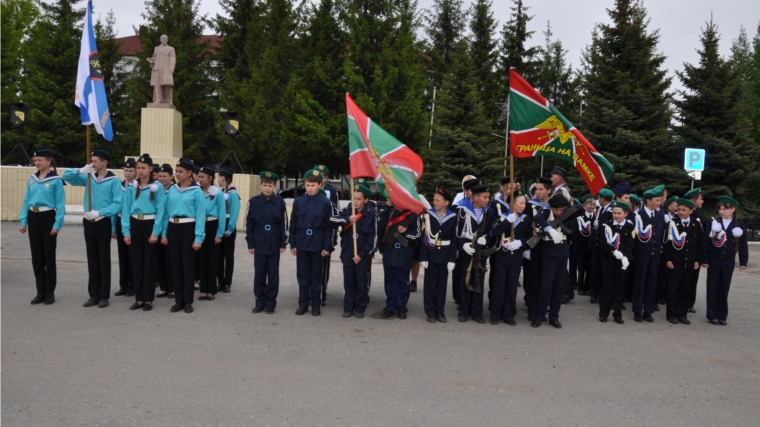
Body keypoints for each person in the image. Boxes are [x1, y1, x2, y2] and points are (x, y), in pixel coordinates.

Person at [63, 148, 123, 308]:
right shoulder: (89, 177)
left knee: (103, 258)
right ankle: (93, 294)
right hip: (88, 220)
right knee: (92, 258)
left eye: (95, 161)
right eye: (92, 160)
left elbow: (118, 203)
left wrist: (100, 212)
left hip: (102, 220)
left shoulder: (114, 181)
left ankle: (104, 295)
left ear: (105, 162)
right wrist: (80, 170)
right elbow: (67, 177)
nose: (92, 163)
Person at [19, 147, 65, 305]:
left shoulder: (56, 180)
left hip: (48, 217)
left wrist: (57, 224)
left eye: (39, 160)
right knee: (37, 257)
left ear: (49, 161)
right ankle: (40, 291)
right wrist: (23, 221)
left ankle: (50, 291)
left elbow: (60, 204)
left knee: (48, 256)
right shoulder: (32, 178)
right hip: (33, 216)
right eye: (35, 160)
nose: (36, 163)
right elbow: (26, 200)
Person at [160, 158, 206, 313]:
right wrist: (164, 233)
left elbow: (200, 215)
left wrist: (198, 237)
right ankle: (178, 300)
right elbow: (166, 212)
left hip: (189, 227)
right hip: (173, 227)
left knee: (187, 266)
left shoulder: (197, 191)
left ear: (189, 173)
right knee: (175, 266)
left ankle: (188, 301)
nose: (177, 174)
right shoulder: (172, 189)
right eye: (176, 171)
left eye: (180, 171)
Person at [121, 154, 165, 312]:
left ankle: (148, 299)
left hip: (149, 223)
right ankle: (139, 298)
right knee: (137, 264)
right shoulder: (132, 186)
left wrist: (155, 232)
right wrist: (126, 231)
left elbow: (161, 210)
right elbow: (125, 209)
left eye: (143, 168)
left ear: (150, 169)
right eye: (138, 168)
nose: (140, 171)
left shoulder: (157, 187)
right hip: (135, 223)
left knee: (148, 264)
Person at [329, 183, 377, 318]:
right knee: (348, 281)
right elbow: (332, 220)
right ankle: (348, 307)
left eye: (359, 199)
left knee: (361, 282)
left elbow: (373, 238)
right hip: (348, 252)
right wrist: (346, 219)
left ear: (366, 200)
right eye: (354, 198)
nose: (355, 201)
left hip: (362, 255)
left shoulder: (371, 214)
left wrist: (361, 255)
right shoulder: (347, 211)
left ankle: (360, 307)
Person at [290, 170, 333, 316]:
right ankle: (303, 304)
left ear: (320, 184)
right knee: (302, 275)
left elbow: (329, 227)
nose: (310, 188)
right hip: (302, 243)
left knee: (316, 276)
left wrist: (327, 246)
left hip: (318, 244)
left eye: (313, 185)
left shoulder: (326, 203)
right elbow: (293, 224)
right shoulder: (299, 201)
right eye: (307, 185)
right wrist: (293, 243)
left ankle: (316, 305)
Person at [246, 171, 288, 314]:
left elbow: (284, 224)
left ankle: (270, 303)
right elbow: (248, 225)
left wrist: (283, 243)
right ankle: (260, 302)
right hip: (259, 244)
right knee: (259, 274)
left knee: (273, 275)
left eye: (270, 185)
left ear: (275, 186)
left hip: (274, 244)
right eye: (264, 185)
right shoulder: (253, 202)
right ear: (260, 185)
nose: (267, 188)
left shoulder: (280, 202)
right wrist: (250, 244)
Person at [705, 196, 749, 325]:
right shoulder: (714, 223)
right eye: (720, 209)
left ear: (733, 209)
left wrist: (743, 261)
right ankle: (712, 314)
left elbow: (743, 244)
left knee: (724, 286)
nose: (722, 211)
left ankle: (722, 315)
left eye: (725, 209)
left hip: (728, 260)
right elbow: (706, 243)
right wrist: (705, 259)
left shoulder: (739, 224)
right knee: (713, 286)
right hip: (714, 258)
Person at [488, 192, 531, 326]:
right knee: (499, 286)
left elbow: (530, 237)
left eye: (525, 203)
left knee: (512, 287)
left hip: (516, 257)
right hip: (501, 256)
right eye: (521, 203)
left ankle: (509, 314)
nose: (524, 206)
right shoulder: (501, 217)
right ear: (512, 203)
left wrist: (520, 243)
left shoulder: (526, 219)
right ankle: (495, 314)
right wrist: (507, 222)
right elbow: (493, 232)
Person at [662, 198, 706, 325]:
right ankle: (672, 314)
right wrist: (667, 259)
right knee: (673, 289)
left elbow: (700, 244)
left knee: (685, 289)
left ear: (691, 211)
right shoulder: (672, 223)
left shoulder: (695, 225)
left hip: (690, 262)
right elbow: (666, 243)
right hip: (675, 262)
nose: (680, 212)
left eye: (684, 210)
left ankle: (682, 313)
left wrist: (698, 259)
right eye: (679, 209)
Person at [377, 198, 421, 319]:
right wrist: (381, 247)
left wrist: (406, 232)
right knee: (389, 280)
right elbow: (381, 227)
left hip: (404, 253)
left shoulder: (413, 215)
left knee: (402, 281)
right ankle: (390, 306)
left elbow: (417, 235)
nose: (398, 205)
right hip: (389, 251)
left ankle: (402, 307)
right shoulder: (389, 212)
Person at [532, 194, 571, 328]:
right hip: (548, 253)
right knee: (546, 285)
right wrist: (549, 228)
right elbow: (536, 218)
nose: (559, 212)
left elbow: (581, 212)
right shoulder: (547, 213)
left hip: (562, 254)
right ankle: (539, 315)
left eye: (561, 210)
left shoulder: (567, 212)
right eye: (556, 210)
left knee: (558, 287)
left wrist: (570, 202)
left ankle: (554, 317)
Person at [419, 187, 458, 323]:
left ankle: (440, 311)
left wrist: (452, 259)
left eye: (438, 200)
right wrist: (423, 256)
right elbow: (424, 237)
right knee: (430, 284)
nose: (435, 202)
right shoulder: (428, 215)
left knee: (441, 285)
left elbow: (454, 239)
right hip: (431, 252)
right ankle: (430, 311)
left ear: (446, 202)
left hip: (445, 255)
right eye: (434, 200)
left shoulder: (453, 217)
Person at [456, 183, 492, 324]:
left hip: (481, 250)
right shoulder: (462, 210)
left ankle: (477, 312)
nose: (488, 200)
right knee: (465, 280)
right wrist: (462, 244)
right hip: (467, 249)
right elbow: (456, 232)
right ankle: (464, 311)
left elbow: (493, 231)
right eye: (485, 197)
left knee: (479, 280)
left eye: (488, 197)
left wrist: (487, 239)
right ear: (476, 197)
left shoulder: (490, 212)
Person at [631, 185, 666, 323]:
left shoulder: (659, 214)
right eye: (657, 200)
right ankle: (637, 310)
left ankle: (648, 310)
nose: (659, 203)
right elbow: (634, 235)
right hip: (642, 253)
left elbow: (660, 233)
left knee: (652, 282)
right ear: (648, 200)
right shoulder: (638, 215)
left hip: (655, 253)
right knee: (640, 281)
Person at [599, 201, 635, 324]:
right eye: (614, 213)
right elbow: (603, 242)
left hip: (622, 262)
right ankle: (604, 312)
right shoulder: (606, 225)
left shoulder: (630, 227)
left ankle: (617, 313)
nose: (616, 215)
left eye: (619, 213)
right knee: (607, 287)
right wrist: (613, 252)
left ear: (626, 214)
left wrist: (626, 257)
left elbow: (631, 244)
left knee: (619, 288)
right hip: (609, 259)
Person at [524, 177, 552, 321]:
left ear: (549, 191)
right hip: (533, 245)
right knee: (532, 278)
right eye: (536, 189)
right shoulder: (529, 205)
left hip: (547, 246)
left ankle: (541, 307)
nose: (538, 192)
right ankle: (532, 309)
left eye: (541, 189)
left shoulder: (553, 205)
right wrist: (526, 246)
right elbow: (526, 225)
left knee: (544, 279)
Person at [196, 166, 225, 302]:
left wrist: (219, 234)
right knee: (201, 258)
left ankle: (211, 290)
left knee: (212, 259)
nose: (199, 179)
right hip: (200, 225)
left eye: (202, 177)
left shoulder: (217, 194)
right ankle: (203, 290)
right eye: (199, 176)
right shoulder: (196, 191)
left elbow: (221, 214)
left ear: (210, 178)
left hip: (212, 225)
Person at [314, 164, 339, 306]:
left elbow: (335, 212)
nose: (320, 179)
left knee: (324, 266)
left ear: (326, 178)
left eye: (322, 177)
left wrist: (333, 238)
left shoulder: (332, 191)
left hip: (326, 232)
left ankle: (322, 291)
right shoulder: (311, 189)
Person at [588, 188, 614, 303]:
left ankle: (600, 293)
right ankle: (593, 292)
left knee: (603, 271)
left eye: (599, 198)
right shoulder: (602, 210)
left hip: (603, 245)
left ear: (602, 198)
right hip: (597, 244)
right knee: (595, 269)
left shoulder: (610, 212)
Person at [217, 166, 240, 293]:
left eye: (219, 177)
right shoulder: (220, 192)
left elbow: (234, 213)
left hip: (228, 224)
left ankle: (227, 282)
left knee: (228, 255)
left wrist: (230, 229)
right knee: (219, 255)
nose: (217, 179)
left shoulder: (233, 194)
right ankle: (220, 280)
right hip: (220, 224)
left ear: (223, 178)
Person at [115, 158, 136, 297]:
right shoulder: (119, 186)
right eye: (126, 170)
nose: (127, 173)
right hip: (120, 219)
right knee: (122, 255)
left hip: (133, 221)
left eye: (130, 171)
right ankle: (123, 285)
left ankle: (132, 286)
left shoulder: (137, 186)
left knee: (133, 255)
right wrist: (112, 228)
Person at [684, 187, 707, 314]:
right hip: (687, 250)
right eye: (700, 199)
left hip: (696, 251)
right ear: (693, 200)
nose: (702, 201)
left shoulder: (701, 214)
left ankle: (690, 303)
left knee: (694, 278)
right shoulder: (688, 214)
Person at [155, 164, 175, 299]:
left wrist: (164, 232)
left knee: (171, 259)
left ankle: (173, 287)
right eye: (160, 176)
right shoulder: (156, 190)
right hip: (156, 228)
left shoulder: (174, 191)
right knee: (159, 259)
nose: (161, 179)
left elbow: (168, 213)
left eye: (164, 176)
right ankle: (164, 287)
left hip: (169, 228)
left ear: (171, 177)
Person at [573, 194, 595, 297]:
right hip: (581, 246)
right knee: (581, 267)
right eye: (590, 204)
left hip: (591, 247)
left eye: (594, 205)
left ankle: (587, 287)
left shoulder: (595, 218)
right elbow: (575, 234)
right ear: (585, 205)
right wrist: (576, 247)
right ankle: (580, 287)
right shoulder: (579, 217)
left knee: (589, 267)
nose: (592, 206)